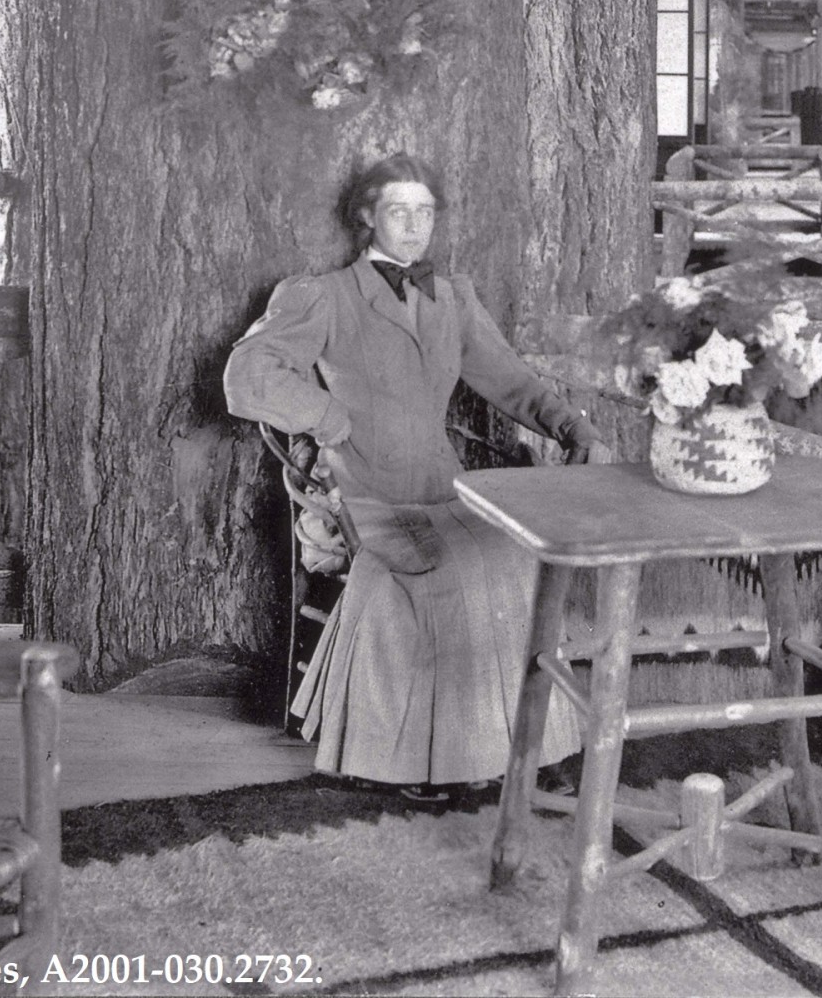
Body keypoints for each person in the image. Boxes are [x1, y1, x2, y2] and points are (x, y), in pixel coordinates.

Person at [224, 152, 611, 794]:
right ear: (367, 218)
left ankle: (525, 748)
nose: (412, 225)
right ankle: (426, 760)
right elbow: (245, 378)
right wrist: (324, 415)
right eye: (397, 211)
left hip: (444, 488)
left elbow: (510, 381)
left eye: (424, 211)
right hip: (364, 492)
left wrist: (575, 428)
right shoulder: (322, 296)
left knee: (520, 557)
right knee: (451, 572)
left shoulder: (451, 298)